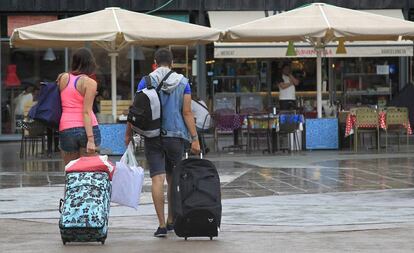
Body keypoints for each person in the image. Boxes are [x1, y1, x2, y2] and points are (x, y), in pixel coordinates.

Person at [125, 48, 200, 238]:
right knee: (173, 178)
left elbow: (136, 109)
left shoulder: (146, 80)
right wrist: (195, 138)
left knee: (157, 179)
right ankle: (171, 220)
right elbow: (187, 112)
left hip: (152, 135)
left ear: (155, 63)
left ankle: (160, 225)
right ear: (172, 63)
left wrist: (128, 133)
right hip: (176, 136)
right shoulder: (183, 82)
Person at [58, 47, 101, 165]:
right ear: (90, 63)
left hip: (66, 127)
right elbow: (86, 112)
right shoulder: (90, 83)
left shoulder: (63, 78)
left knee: (70, 171)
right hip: (87, 128)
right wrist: (91, 139)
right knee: (89, 170)